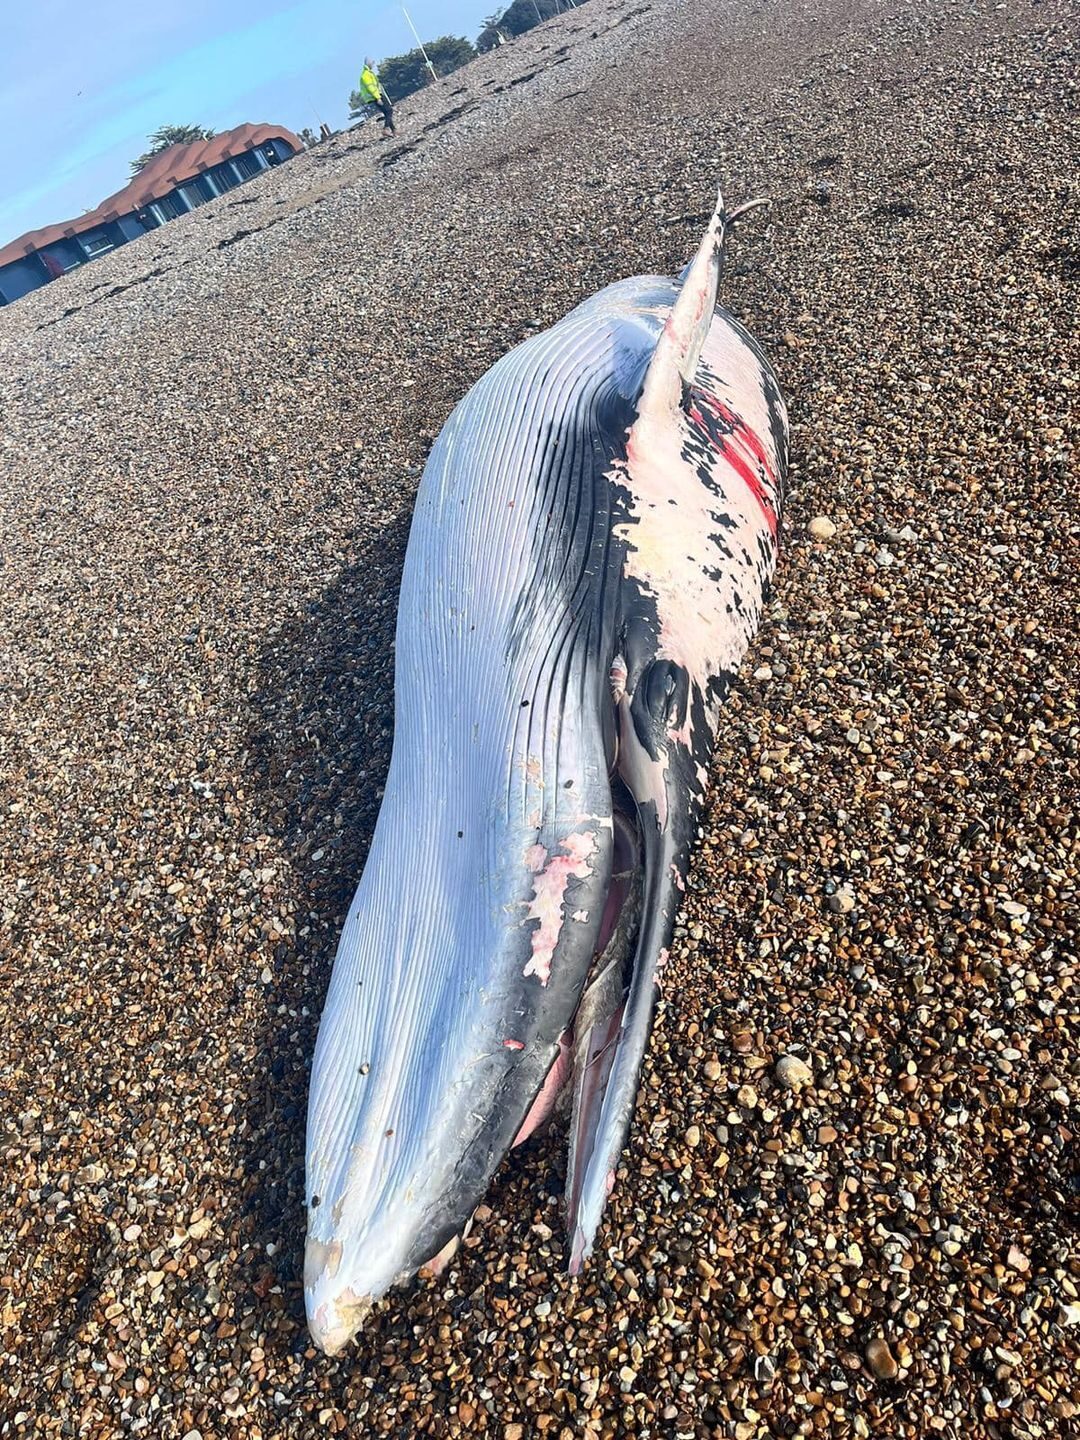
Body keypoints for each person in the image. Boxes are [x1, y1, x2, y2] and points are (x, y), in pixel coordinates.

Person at [359, 61, 395, 137]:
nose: (373, 64)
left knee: (386, 112)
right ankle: (386, 129)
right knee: (389, 111)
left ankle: (394, 130)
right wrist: (378, 98)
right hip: (375, 96)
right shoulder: (366, 75)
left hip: (376, 95)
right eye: (372, 63)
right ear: (368, 63)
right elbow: (371, 88)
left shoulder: (368, 73)